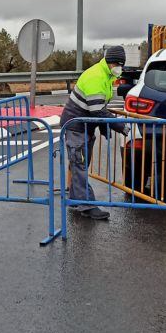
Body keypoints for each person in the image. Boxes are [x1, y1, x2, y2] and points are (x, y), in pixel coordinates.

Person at [60, 45, 130, 220]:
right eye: (116, 64)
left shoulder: (106, 75)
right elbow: (97, 110)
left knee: (79, 165)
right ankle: (87, 205)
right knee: (80, 165)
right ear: (109, 62)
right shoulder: (96, 76)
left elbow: (99, 107)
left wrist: (104, 127)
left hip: (86, 126)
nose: (118, 67)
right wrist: (119, 126)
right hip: (76, 127)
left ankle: (76, 200)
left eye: (120, 64)